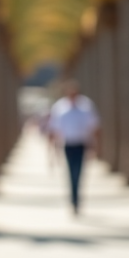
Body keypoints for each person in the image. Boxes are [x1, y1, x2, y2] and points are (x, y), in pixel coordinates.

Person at [47, 80, 101, 214]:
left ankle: (77, 198)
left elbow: (95, 127)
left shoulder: (86, 106)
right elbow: (53, 130)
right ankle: (73, 198)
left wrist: (96, 147)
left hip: (81, 144)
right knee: (71, 172)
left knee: (79, 172)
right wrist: (52, 152)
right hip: (68, 145)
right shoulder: (60, 107)